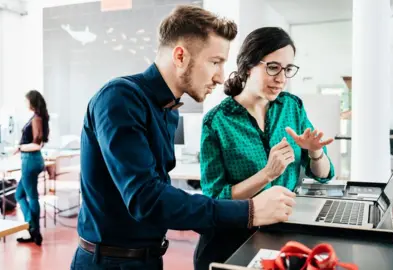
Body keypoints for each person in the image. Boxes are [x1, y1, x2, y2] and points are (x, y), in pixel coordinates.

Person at [70, 6, 296, 270]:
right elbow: (147, 199)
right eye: (215, 62)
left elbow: (159, 191)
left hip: (147, 258)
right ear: (180, 56)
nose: (221, 77)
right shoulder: (119, 98)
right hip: (109, 263)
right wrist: (250, 211)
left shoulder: (168, 109)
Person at [194, 27, 336, 270]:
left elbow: (324, 175)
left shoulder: (292, 107)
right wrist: (267, 174)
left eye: (288, 69)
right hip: (232, 242)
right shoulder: (217, 121)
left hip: (283, 235)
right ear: (248, 65)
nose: (281, 78)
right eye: (273, 67)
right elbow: (216, 199)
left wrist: (315, 152)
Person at [14, 90, 50, 246]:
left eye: (26, 100)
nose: (25, 103)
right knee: (19, 194)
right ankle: (32, 228)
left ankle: (33, 228)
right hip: (33, 160)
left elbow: (36, 144)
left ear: (32, 101)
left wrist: (20, 147)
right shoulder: (38, 118)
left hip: (30, 160)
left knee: (31, 197)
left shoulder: (36, 119)